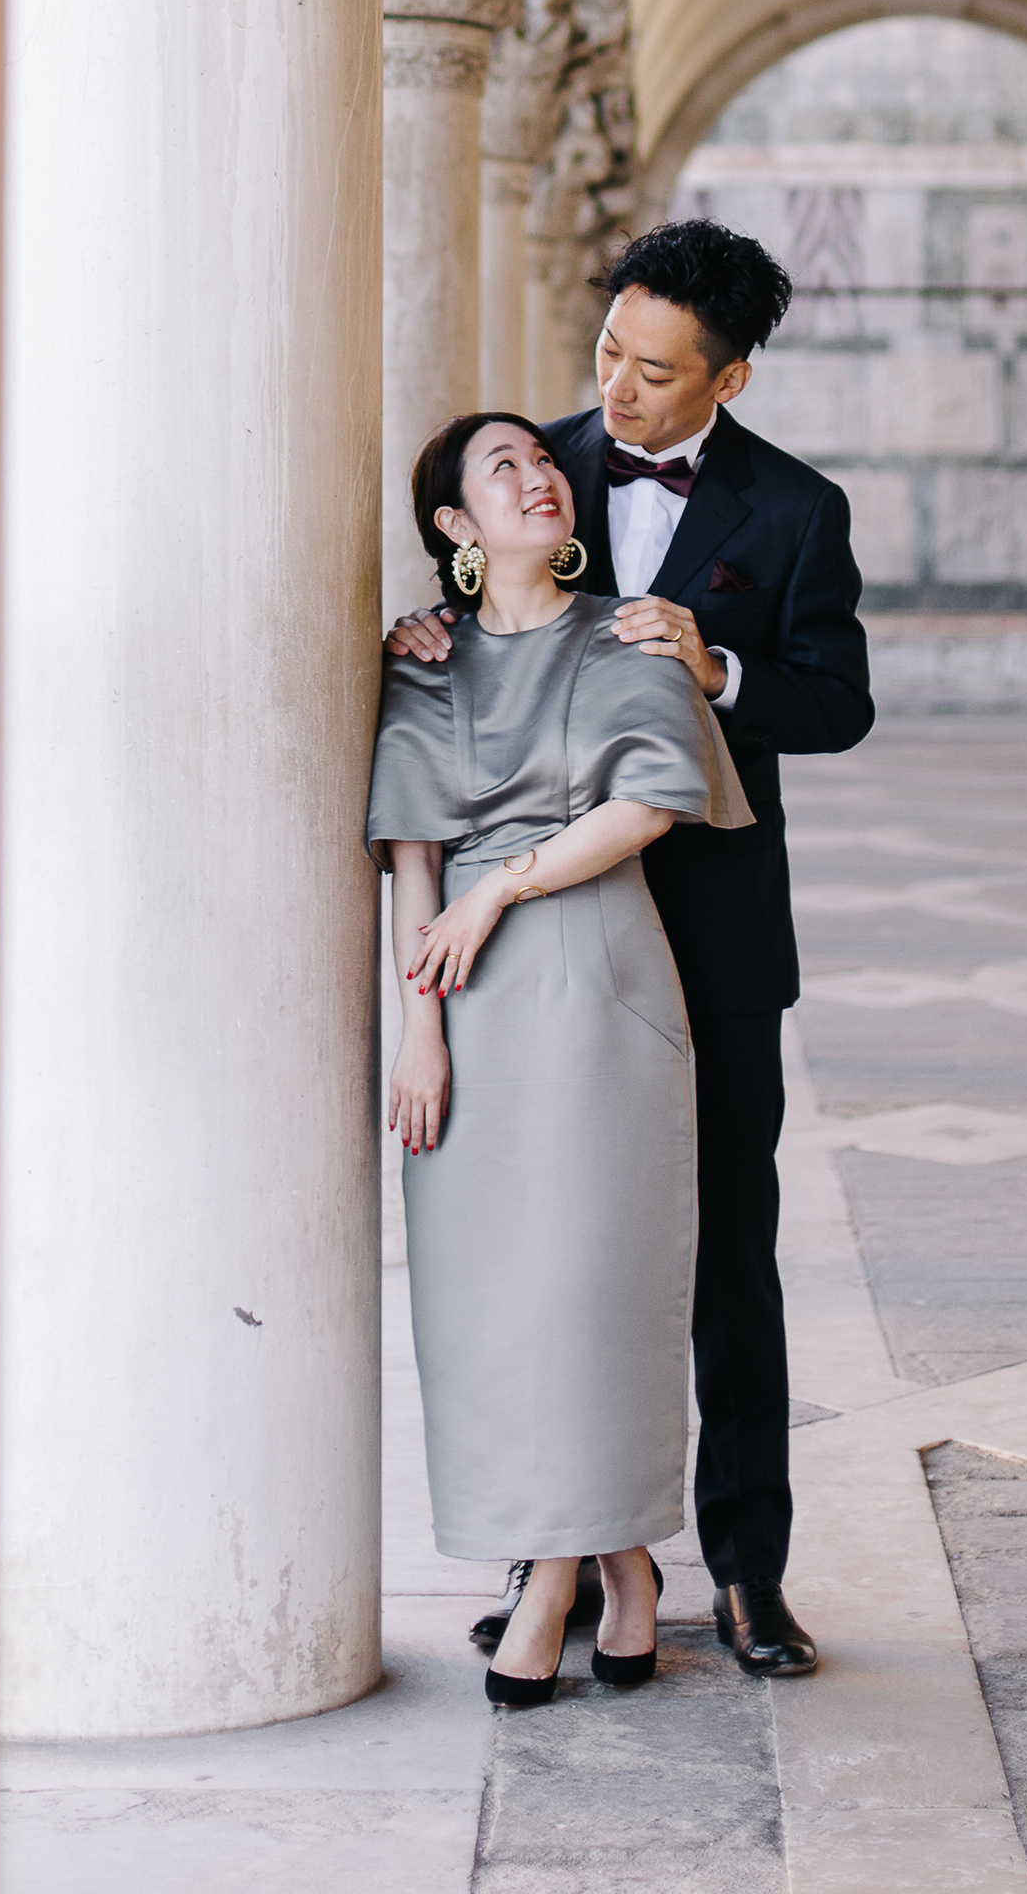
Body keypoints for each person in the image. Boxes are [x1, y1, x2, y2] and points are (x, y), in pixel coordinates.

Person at [389, 220, 871, 1680]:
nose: (617, 390)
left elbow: (837, 702)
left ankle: (748, 1569)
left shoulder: (796, 509)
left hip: (709, 929)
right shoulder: (534, 466)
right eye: (610, 350)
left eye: (656, 373)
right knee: (550, 1249)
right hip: (539, 957)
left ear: (727, 378)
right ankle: (571, 1549)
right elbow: (479, 610)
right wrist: (422, 628)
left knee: (725, 1253)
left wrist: (715, 669)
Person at [370, 408, 755, 1708]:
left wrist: (502, 888)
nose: (539, 477)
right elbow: (413, 855)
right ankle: (624, 1566)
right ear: (455, 525)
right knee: (490, 1301)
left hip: (597, 977)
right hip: (465, 1000)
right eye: (505, 469)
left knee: (596, 1291)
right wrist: (419, 1031)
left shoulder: (626, 635)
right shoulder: (424, 660)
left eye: (544, 460)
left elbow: (648, 804)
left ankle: (551, 1582)